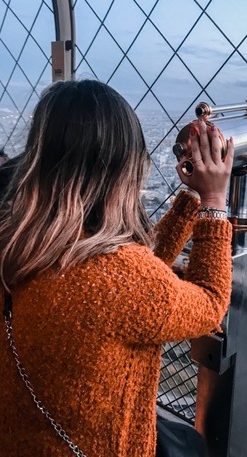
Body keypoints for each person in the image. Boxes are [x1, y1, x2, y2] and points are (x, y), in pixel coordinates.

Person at [0, 79, 234, 457]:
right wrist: (214, 201)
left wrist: (190, 199)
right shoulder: (118, 278)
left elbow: (138, 275)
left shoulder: (19, 243)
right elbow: (209, 303)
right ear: (119, 169)